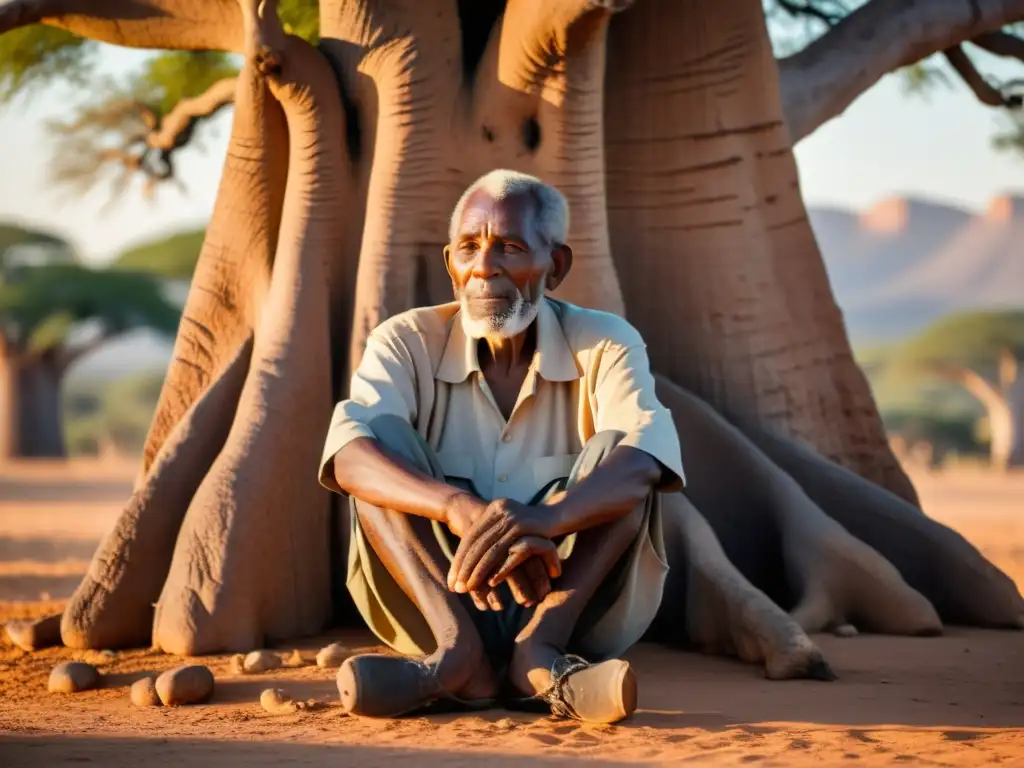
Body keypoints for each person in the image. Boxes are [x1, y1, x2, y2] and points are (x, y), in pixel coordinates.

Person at [319, 169, 684, 723]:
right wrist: (457, 509)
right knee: (375, 449)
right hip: (438, 592)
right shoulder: (405, 339)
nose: (485, 267)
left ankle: (539, 654)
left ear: (555, 267)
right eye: (469, 248)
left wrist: (543, 520)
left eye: (510, 248)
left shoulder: (607, 341)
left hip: (565, 599)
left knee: (626, 453)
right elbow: (348, 458)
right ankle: (456, 652)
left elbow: (643, 465)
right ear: (451, 265)